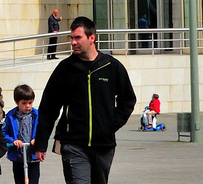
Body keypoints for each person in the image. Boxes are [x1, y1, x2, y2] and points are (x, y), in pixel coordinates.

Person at [32, 17, 136, 184]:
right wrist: (40, 143)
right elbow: (48, 108)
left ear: (91, 38)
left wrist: (111, 124)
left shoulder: (111, 66)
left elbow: (128, 100)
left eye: (78, 37)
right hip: (73, 144)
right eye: (71, 38)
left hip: (104, 145)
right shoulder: (65, 69)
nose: (73, 42)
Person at [3, 84, 40, 184]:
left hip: (32, 157)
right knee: (19, 181)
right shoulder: (11, 116)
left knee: (33, 181)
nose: (27, 106)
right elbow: (4, 133)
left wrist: (37, 139)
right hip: (18, 157)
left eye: (30, 103)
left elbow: (43, 131)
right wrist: (13, 141)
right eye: (24, 103)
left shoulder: (36, 115)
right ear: (17, 102)